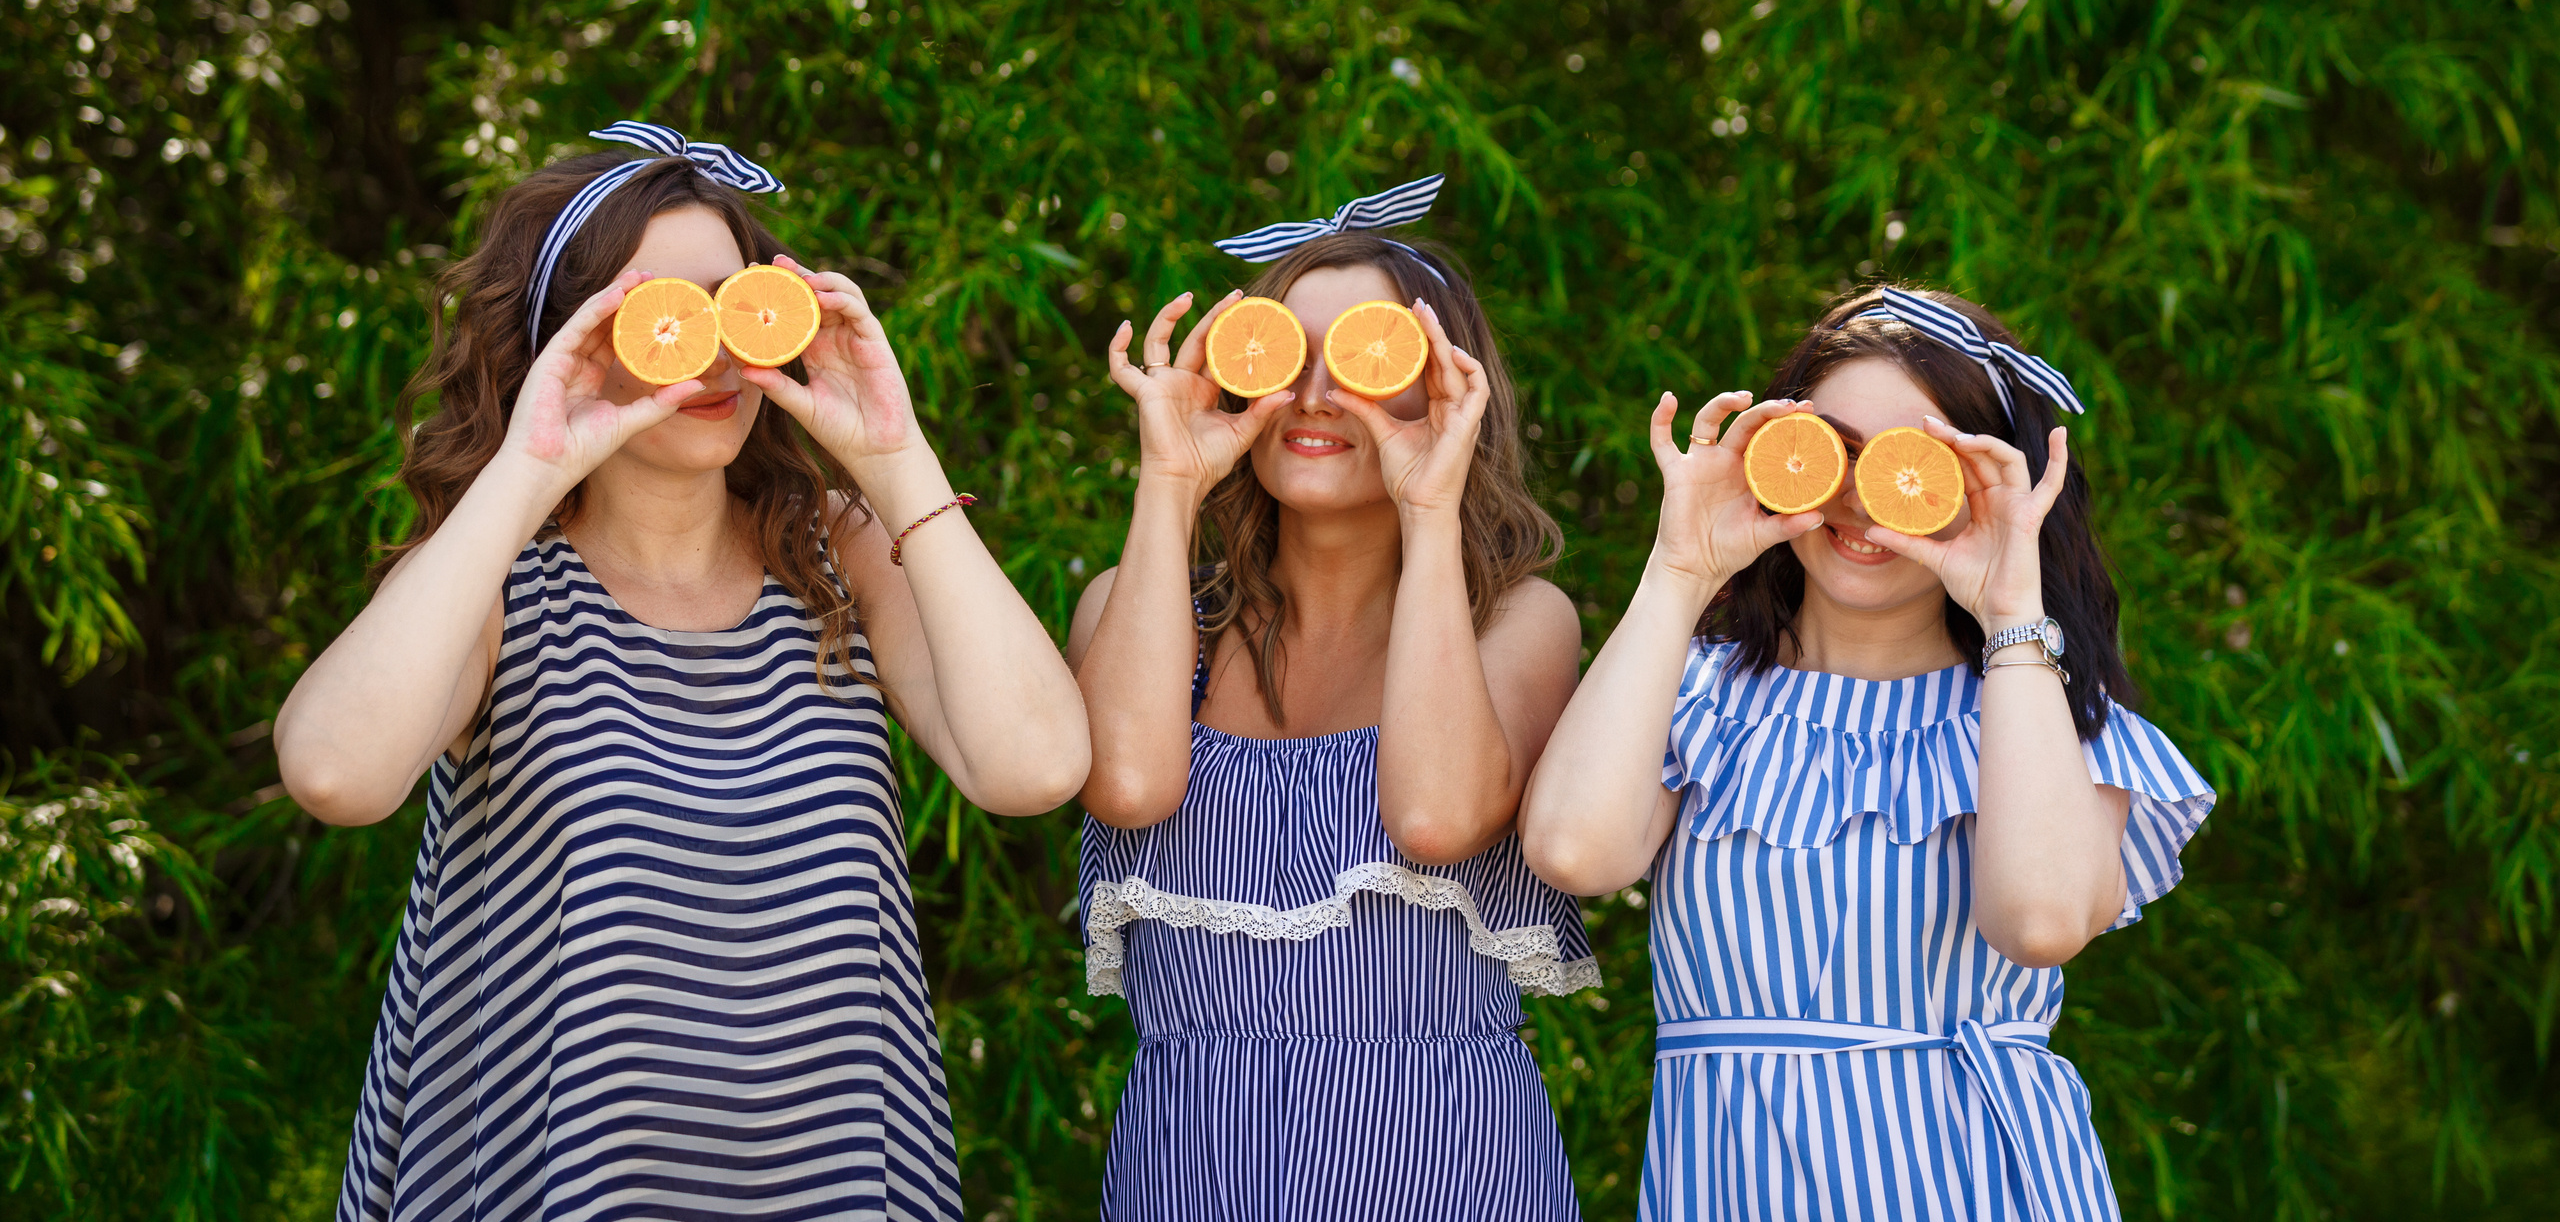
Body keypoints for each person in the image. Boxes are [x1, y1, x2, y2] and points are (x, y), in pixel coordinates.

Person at [276, 122, 1089, 1221]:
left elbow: (1035, 767)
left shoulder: (840, 550)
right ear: (563, 342)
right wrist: (527, 467)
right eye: (656, 313)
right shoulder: (493, 579)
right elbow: (335, 772)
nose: (709, 352)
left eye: (732, 304)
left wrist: (896, 459)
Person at [1519, 285, 2214, 1221]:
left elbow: (2040, 922)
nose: (1857, 494)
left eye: (1915, 461)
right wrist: (1680, 570)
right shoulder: (1699, 693)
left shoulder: (2042, 717)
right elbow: (1573, 850)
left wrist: (2011, 611)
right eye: (1832, 450)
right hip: (1729, 1189)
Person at [1069, 177, 1593, 1219]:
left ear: (1447, 390)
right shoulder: (1144, 610)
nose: (1313, 395)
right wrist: (1169, 482)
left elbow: (1437, 818)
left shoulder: (1519, 622)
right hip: (1188, 1170)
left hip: (1446, 1172)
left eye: (1365, 360)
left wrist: (1431, 507)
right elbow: (1126, 786)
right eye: (1280, 356)